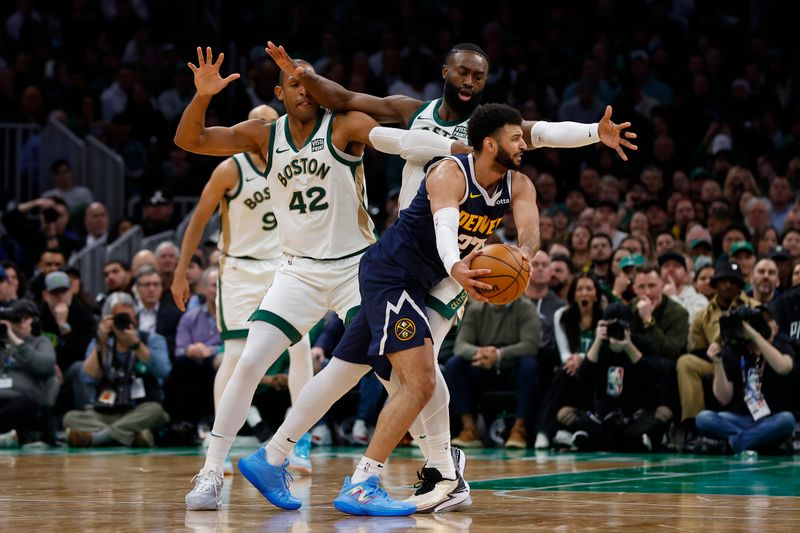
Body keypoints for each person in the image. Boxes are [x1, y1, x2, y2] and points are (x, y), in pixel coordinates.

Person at [176, 46, 470, 512]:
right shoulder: (261, 135)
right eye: (294, 82)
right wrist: (202, 97)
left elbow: (400, 143)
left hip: (357, 268)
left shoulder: (345, 124)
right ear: (279, 92)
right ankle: (212, 470)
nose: (305, 90)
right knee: (250, 360)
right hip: (296, 270)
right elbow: (191, 139)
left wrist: (456, 149)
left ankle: (441, 463)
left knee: (402, 369)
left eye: (311, 81)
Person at [250, 103, 541, 517]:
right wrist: (456, 265)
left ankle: (272, 455)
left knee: (342, 372)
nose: (523, 143)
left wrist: (524, 255)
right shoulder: (449, 172)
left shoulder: (519, 183)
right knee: (419, 381)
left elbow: (529, 227)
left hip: (417, 281)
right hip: (395, 276)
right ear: (490, 143)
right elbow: (445, 228)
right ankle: (372, 481)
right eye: (515, 137)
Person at [171, 104, 316, 473]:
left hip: (285, 267)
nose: (264, 130)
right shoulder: (231, 168)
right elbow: (198, 221)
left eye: (270, 124)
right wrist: (180, 271)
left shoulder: (292, 165)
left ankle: (299, 444)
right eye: (258, 124)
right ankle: (221, 447)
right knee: (235, 355)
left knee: (301, 349)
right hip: (239, 269)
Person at [63, 292, 171, 447]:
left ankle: (97, 437)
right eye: (119, 318)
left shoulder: (151, 339)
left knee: (155, 412)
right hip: (105, 412)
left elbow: (164, 371)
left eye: (129, 317)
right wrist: (102, 344)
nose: (125, 322)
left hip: (138, 409)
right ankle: (132, 436)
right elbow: (87, 378)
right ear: (108, 319)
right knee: (70, 417)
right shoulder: (101, 342)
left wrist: (136, 345)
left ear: (136, 317)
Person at [695, 307, 795, 454]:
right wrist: (718, 363)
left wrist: (755, 336)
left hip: (770, 418)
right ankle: (757, 441)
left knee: (787, 420)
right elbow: (723, 398)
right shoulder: (734, 350)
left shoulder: (781, 346)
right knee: (703, 418)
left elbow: (783, 367)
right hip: (739, 418)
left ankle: (736, 443)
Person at [0, 299, 58, 447]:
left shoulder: (40, 342)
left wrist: (18, 342)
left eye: (25, 318)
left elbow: (45, 366)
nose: (21, 322)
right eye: (16, 318)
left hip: (23, 400)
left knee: (24, 406)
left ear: (34, 321)